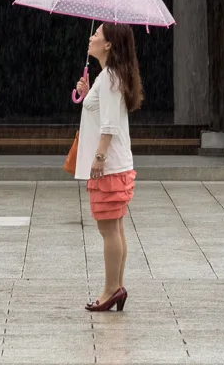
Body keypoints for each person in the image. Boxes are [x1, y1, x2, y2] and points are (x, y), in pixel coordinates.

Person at [73, 21, 142, 312]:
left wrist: (99, 158)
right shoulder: (107, 77)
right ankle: (116, 286)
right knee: (115, 228)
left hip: (109, 166)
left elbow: (110, 123)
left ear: (109, 44)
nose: (91, 38)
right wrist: (89, 93)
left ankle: (110, 289)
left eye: (97, 35)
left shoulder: (111, 77)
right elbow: (104, 112)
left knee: (109, 230)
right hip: (115, 165)